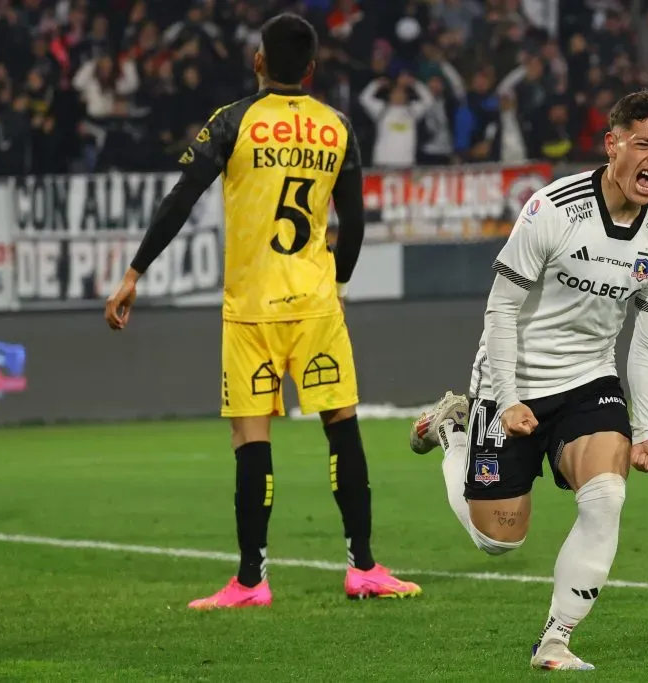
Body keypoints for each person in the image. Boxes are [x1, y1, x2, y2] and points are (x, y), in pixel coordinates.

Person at [103, 14, 420, 607]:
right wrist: (340, 285)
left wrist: (133, 273)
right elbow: (353, 224)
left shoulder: (233, 122)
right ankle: (364, 567)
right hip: (317, 304)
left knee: (251, 438)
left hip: (251, 308)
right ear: (312, 68)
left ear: (258, 61)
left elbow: (182, 198)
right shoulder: (338, 125)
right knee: (341, 427)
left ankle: (251, 579)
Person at [409, 90, 648, 671]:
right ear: (612, 145)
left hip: (589, 379)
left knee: (607, 496)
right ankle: (453, 431)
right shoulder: (553, 209)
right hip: (511, 377)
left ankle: (555, 640)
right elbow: (501, 308)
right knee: (499, 540)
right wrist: (505, 399)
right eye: (644, 143)